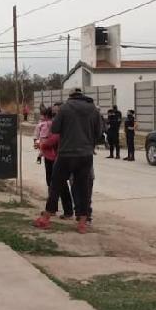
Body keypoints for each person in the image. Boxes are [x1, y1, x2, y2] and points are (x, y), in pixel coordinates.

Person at [34, 88, 102, 234]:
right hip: (85, 155)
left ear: (70, 96)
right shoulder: (93, 109)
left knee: (56, 185)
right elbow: (99, 133)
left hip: (66, 154)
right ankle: (82, 223)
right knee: (83, 188)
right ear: (83, 96)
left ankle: (46, 218)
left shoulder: (65, 108)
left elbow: (56, 129)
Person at [38, 108, 74, 219]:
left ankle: (62, 211)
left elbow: (53, 139)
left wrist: (42, 145)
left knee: (58, 185)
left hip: (55, 158)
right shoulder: (61, 124)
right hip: (53, 156)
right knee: (54, 184)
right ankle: (55, 209)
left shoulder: (58, 125)